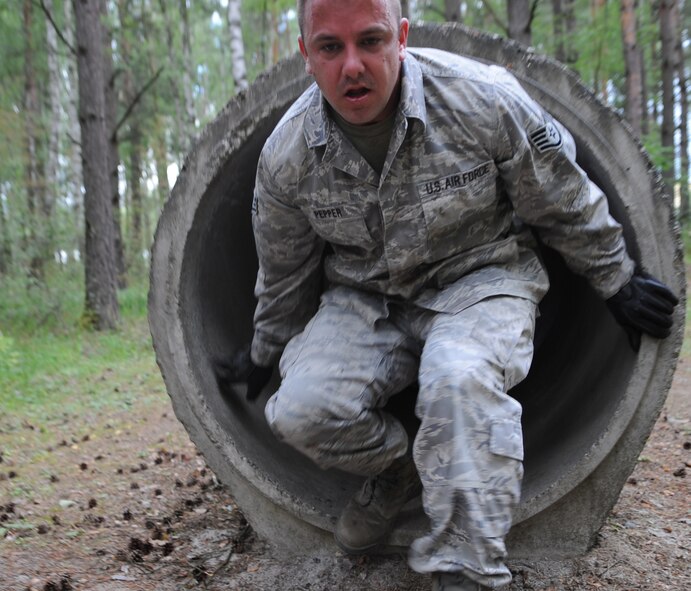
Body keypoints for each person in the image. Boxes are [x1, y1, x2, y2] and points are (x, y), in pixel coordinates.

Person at [215, 0, 679, 589]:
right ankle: (399, 469)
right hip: (368, 300)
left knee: (457, 377)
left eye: (371, 41)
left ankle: (465, 565)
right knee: (300, 411)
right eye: (331, 47)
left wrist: (614, 278)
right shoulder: (287, 157)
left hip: (481, 279)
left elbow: (558, 194)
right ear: (306, 54)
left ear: (401, 37)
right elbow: (285, 269)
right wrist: (265, 348)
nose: (352, 65)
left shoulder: (478, 98)